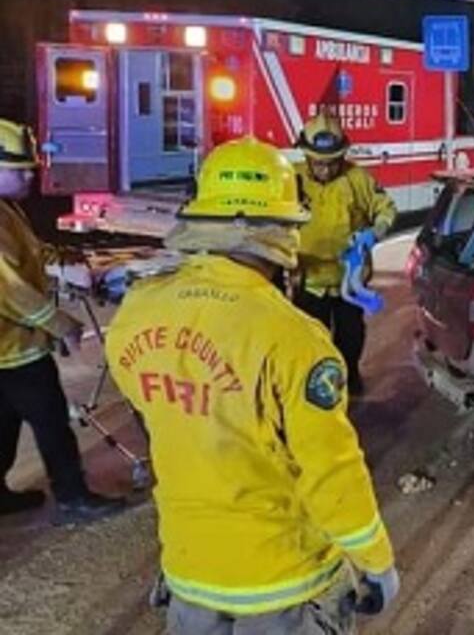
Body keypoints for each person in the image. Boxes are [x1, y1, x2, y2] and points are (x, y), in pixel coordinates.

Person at [106, 137, 398, 633]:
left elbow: (155, 414)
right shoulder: (294, 338)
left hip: (189, 570)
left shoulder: (137, 309)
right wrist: (375, 562)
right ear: (278, 231)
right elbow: (331, 470)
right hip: (280, 581)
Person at [0, 118, 124, 524]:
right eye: (20, 169)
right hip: (14, 351)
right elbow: (12, 291)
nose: (30, 175)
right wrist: (61, 324)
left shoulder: (7, 209)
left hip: (11, 348)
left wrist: (63, 261)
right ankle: (73, 495)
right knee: (52, 421)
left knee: (4, 421)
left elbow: (30, 253)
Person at [294, 114, 397, 396]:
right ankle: (313, 391)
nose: (325, 170)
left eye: (331, 163)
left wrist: (374, 233)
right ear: (306, 156)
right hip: (309, 281)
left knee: (350, 337)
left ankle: (350, 378)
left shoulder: (357, 179)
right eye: (318, 163)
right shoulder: (292, 179)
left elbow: (385, 208)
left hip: (349, 281)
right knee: (309, 341)